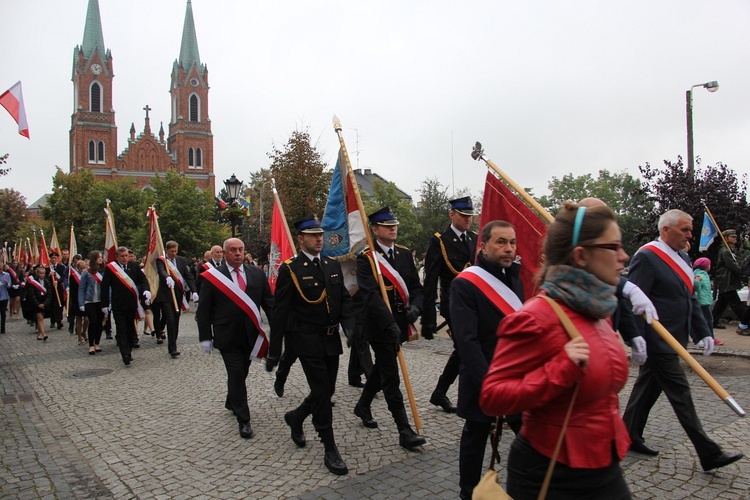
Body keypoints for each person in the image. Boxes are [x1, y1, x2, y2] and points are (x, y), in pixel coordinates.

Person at [480, 203, 632, 499]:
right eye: (613, 246)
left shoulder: (598, 311)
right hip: (552, 471)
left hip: (604, 463)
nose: (623, 256)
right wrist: (559, 369)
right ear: (580, 255)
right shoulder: (537, 316)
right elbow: (492, 396)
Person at [622, 209, 743, 471]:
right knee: (681, 394)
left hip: (676, 338)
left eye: (690, 229)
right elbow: (633, 299)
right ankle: (709, 452)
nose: (690, 234)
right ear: (666, 230)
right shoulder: (647, 256)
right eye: (685, 229)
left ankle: (627, 435)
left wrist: (704, 331)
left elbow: (689, 299)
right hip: (657, 340)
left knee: (647, 388)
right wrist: (636, 339)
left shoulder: (684, 257)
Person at [267, 215, 355, 475]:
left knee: (325, 392)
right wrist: (274, 352)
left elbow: (344, 299)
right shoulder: (290, 269)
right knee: (322, 392)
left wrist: (349, 326)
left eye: (321, 234)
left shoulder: (331, 264)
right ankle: (330, 447)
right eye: (313, 235)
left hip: (330, 340)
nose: (319, 239)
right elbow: (279, 313)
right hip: (307, 341)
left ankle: (296, 417)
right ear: (300, 239)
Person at [451, 220, 525, 500]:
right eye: (501, 242)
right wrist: (490, 383)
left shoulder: (514, 276)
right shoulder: (466, 283)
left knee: (528, 436)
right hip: (483, 376)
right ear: (483, 246)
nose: (508, 249)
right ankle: (468, 492)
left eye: (512, 243)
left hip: (517, 375)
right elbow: (466, 341)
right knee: (476, 435)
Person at [353, 207, 426, 450]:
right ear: (375, 230)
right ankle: (404, 430)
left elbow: (416, 287)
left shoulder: (404, 255)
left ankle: (362, 405)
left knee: (381, 370)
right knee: (391, 376)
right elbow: (371, 296)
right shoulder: (366, 258)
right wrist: (390, 324)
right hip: (379, 326)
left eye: (394, 224)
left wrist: (416, 307)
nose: (393, 228)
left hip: (401, 324)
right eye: (386, 226)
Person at [197, 238, 273, 439]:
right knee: (237, 373)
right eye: (233, 250)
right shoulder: (213, 277)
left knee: (241, 373)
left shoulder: (256, 274)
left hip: (251, 336)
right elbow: (204, 309)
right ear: (224, 253)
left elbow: (269, 304)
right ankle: (244, 419)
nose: (238, 253)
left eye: (240, 249)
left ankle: (232, 400)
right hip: (227, 336)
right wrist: (205, 336)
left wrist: (281, 329)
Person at [421, 196, 478, 413]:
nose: (467, 220)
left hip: (473, 303)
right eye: (463, 215)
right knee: (467, 347)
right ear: (451, 214)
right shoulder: (440, 241)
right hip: (452, 303)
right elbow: (431, 279)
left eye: (470, 216)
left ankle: (440, 392)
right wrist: (428, 318)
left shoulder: (473, 239)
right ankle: (467, 398)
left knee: (464, 348)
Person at [101, 246, 151, 366]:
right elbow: (104, 287)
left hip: (132, 303)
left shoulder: (134, 266)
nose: (125, 258)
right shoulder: (111, 268)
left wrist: (146, 290)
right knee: (121, 328)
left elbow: (143, 280)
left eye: (126, 256)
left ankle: (129, 348)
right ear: (117, 257)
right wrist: (104, 305)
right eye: (122, 256)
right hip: (118, 304)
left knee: (130, 328)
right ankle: (125, 353)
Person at [154, 240, 197, 358]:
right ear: (167, 250)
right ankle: (172, 348)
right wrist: (167, 277)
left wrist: (194, 291)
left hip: (178, 295)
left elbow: (187, 276)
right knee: (170, 320)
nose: (173, 253)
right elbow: (161, 270)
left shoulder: (181, 260)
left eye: (175, 251)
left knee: (176, 320)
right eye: (171, 251)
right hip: (166, 296)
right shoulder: (161, 260)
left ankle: (173, 342)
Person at [711, 229, 746, 330]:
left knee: (721, 303)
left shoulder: (729, 249)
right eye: (733, 237)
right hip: (727, 280)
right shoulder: (725, 251)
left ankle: (713, 321)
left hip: (727, 280)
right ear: (726, 238)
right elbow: (733, 266)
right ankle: (746, 323)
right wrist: (744, 271)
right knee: (736, 304)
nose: (735, 238)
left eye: (735, 237)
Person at [79, 251, 105, 355]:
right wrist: (81, 303)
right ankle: (91, 344)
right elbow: (81, 288)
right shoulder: (86, 272)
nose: (100, 259)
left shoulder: (103, 271)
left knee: (99, 322)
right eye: (99, 257)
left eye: (101, 257)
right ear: (94, 258)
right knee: (93, 321)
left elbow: (108, 288)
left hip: (100, 300)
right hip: (89, 301)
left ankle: (97, 343)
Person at [27, 266, 52, 341]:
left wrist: (45, 303)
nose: (42, 275)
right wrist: (38, 304)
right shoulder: (33, 283)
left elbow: (49, 294)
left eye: (43, 273)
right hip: (36, 304)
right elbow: (32, 295)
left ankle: (38, 335)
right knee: (40, 318)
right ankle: (44, 334)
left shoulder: (47, 282)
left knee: (40, 319)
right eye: (40, 273)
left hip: (44, 303)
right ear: (37, 274)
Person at [68, 259, 89, 345]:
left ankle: (84, 332)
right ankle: (79, 337)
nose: (83, 270)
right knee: (79, 319)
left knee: (87, 319)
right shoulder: (73, 276)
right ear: (78, 268)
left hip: (87, 300)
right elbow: (73, 291)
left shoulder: (88, 275)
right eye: (81, 268)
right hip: (77, 301)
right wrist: (77, 301)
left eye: (84, 267)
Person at [47, 251, 67, 330]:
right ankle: (52, 321)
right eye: (52, 258)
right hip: (50, 289)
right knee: (52, 304)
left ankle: (59, 321)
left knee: (59, 304)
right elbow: (44, 278)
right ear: (50, 259)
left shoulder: (61, 267)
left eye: (55, 258)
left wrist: (57, 281)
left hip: (59, 288)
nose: (54, 259)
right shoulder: (47, 268)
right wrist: (49, 275)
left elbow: (63, 277)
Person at [0, 265, 11, 334]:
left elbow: (9, 285)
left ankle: (2, 328)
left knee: (3, 312)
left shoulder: (6, 275)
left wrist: (7, 282)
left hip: (4, 296)